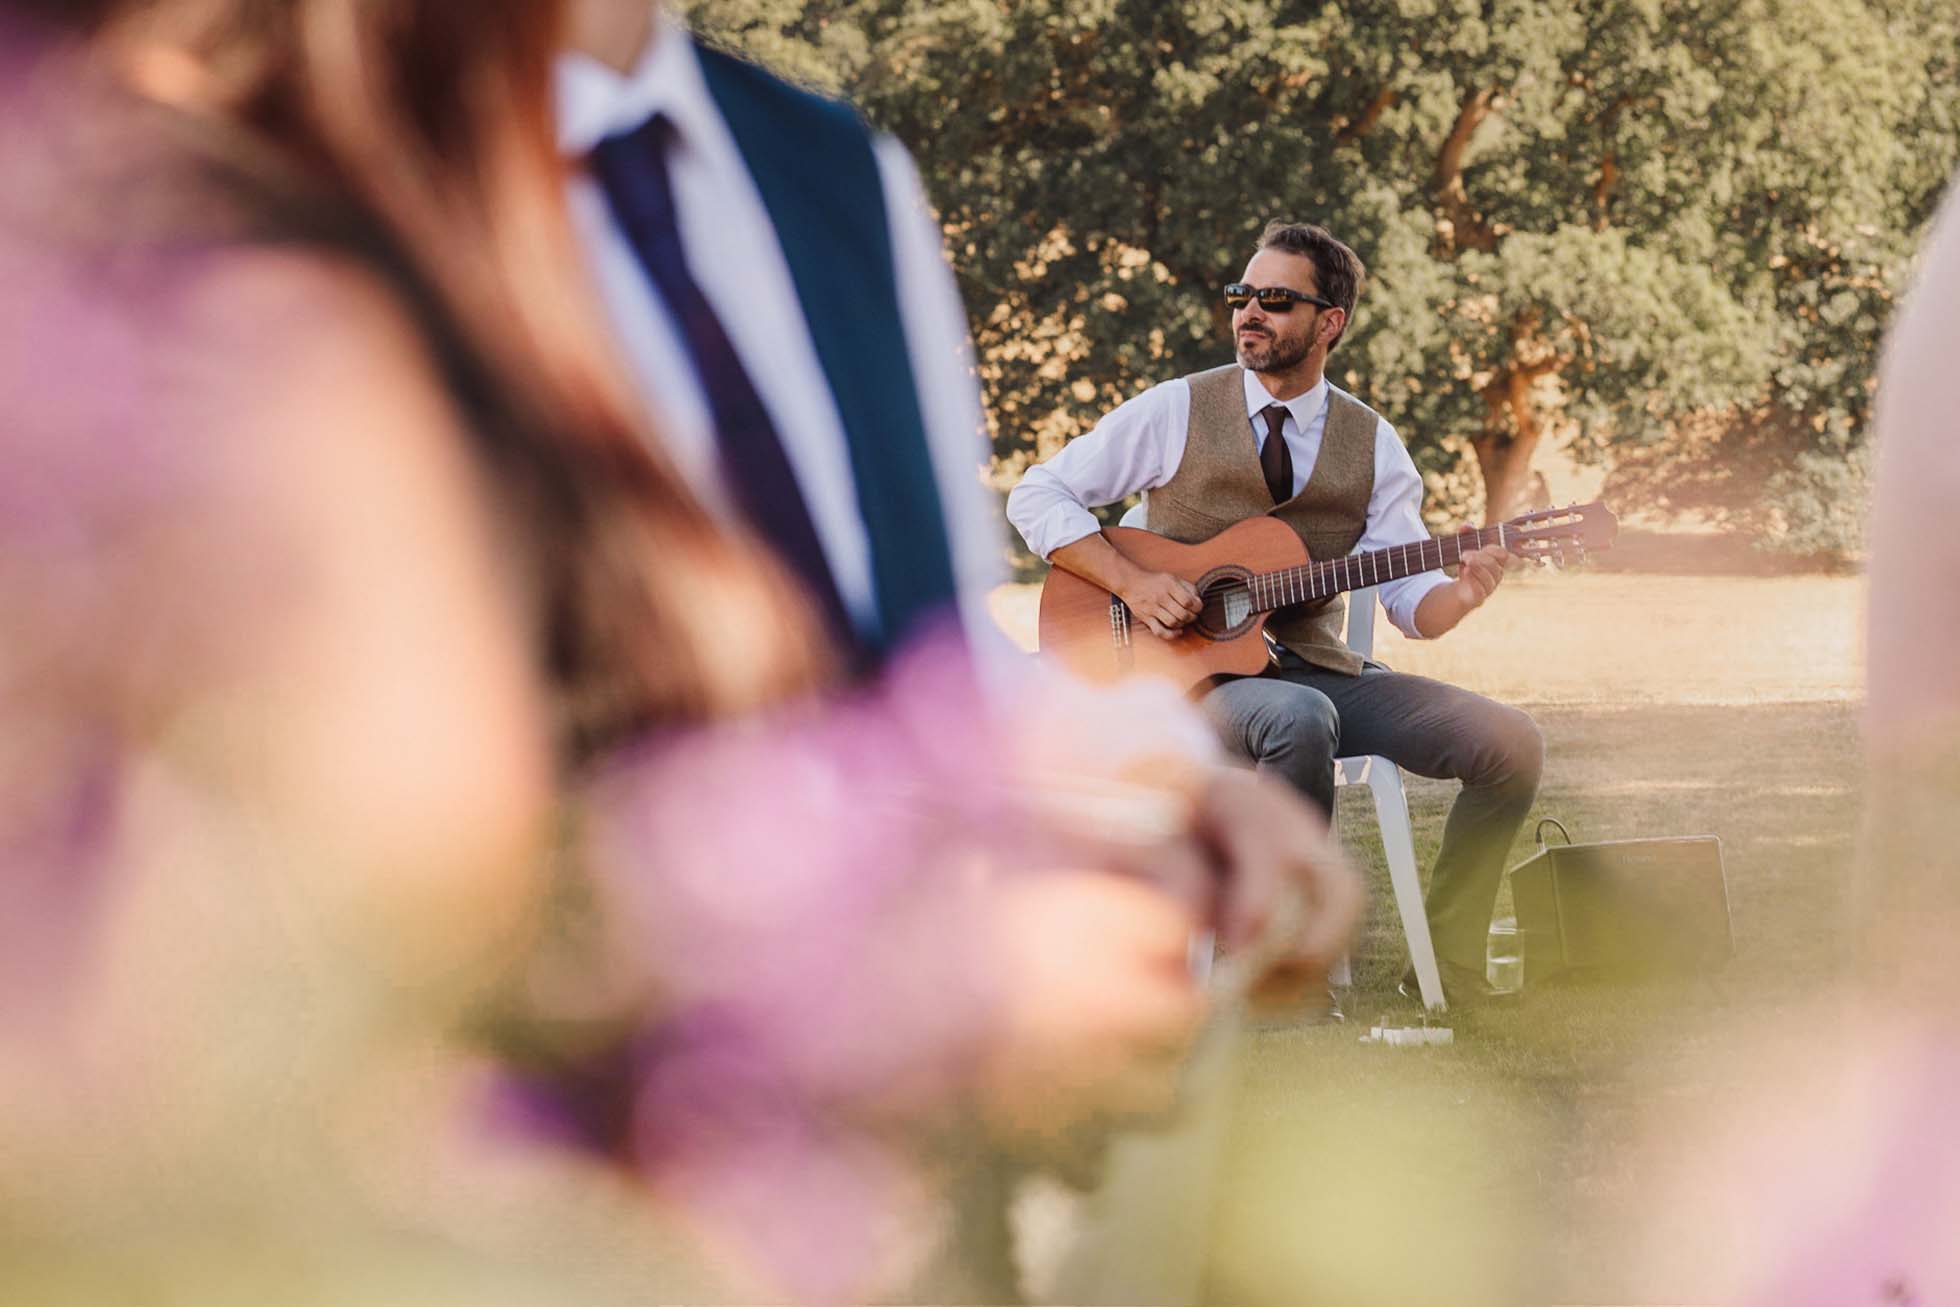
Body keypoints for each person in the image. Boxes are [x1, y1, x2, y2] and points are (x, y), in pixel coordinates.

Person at [1008, 220, 1544, 1005]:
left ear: (1330, 322)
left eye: (1275, 300)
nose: (1248, 314)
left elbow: (1409, 607)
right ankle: (1274, 970)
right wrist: (1131, 582)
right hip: (1188, 682)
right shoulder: (1178, 408)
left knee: (1510, 742)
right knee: (1298, 718)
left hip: (1317, 669)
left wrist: (1457, 595)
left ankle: (1450, 969)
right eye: (1242, 296)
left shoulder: (1373, 444)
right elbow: (1036, 492)